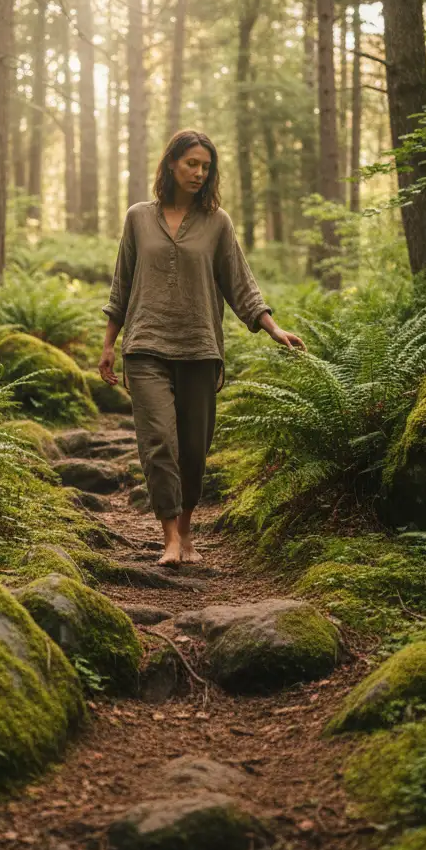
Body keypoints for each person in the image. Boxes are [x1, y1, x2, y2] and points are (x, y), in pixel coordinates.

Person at [98, 130, 306, 567]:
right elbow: (123, 283)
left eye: (206, 167)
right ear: (171, 163)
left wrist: (272, 327)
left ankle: (187, 526)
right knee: (158, 441)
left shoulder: (217, 223)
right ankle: (170, 537)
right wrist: (109, 344)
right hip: (145, 346)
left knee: (194, 449)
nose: (199, 173)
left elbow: (239, 281)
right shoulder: (138, 218)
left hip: (199, 348)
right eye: (191, 163)